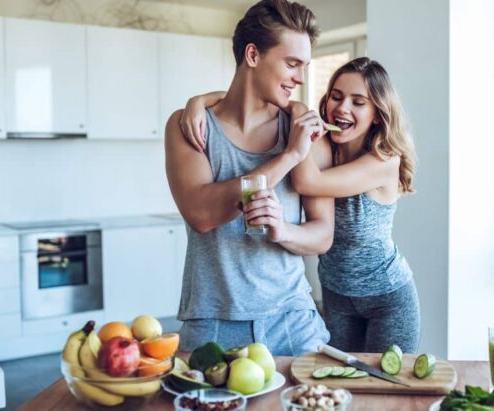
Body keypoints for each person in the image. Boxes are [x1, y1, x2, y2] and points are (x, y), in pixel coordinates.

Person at [180, 57, 420, 354]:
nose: (342, 108)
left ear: (377, 114)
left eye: (358, 102)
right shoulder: (324, 145)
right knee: (343, 388)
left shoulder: (384, 161)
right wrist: (199, 101)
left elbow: (307, 182)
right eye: (336, 96)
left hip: (386, 296)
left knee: (387, 390)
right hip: (335, 295)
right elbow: (246, 95)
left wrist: (297, 111)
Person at [165, 0, 335, 356]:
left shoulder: (303, 128)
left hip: (294, 323)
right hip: (212, 324)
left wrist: (283, 231)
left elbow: (322, 236)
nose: (300, 78)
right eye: (291, 63)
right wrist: (288, 156)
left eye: (304, 66)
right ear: (253, 55)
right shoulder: (191, 126)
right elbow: (201, 214)